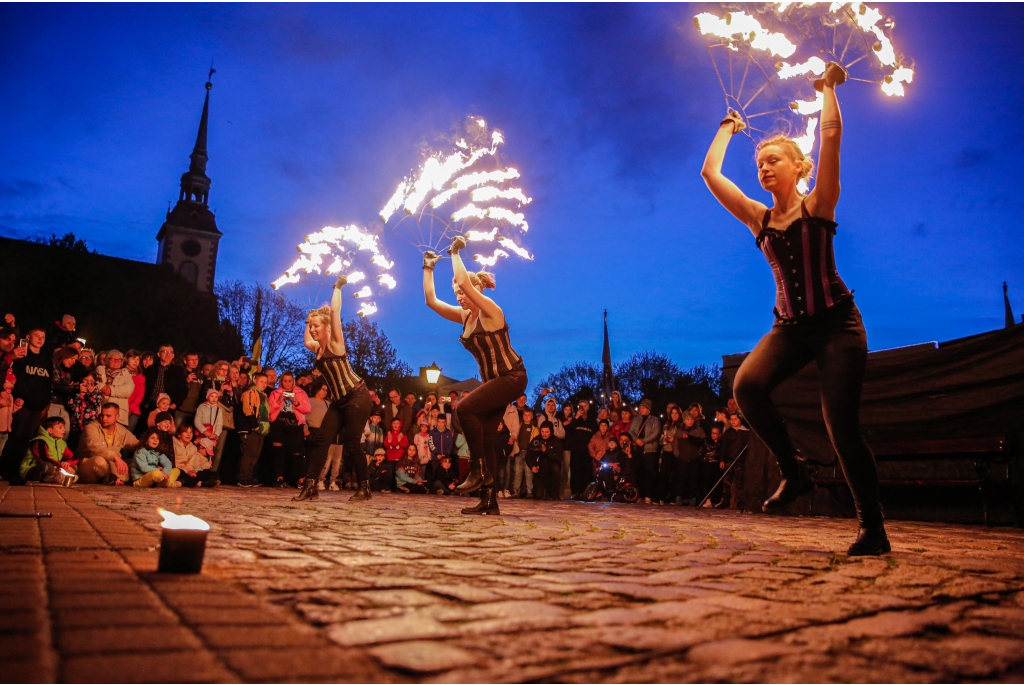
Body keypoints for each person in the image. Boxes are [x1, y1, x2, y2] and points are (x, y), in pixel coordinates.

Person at [700, 61, 887, 555]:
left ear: (798, 167)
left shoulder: (819, 202)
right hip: (789, 327)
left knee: (840, 426)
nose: (763, 168)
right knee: (747, 386)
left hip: (836, 325)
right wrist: (727, 127)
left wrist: (827, 90)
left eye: (773, 161)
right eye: (759, 163)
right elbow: (709, 173)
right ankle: (794, 472)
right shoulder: (758, 218)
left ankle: (873, 528)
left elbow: (832, 139)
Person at [422, 236, 528, 515]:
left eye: (462, 291)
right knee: (486, 437)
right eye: (456, 292)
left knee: (464, 409)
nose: (459, 296)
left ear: (477, 289)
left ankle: (479, 471)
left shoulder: (492, 311)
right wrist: (428, 269)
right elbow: (431, 301)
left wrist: (456, 252)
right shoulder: (465, 316)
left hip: (512, 376)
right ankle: (489, 501)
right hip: (494, 382)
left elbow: (467, 283)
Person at [296, 275, 374, 501]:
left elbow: (335, 314)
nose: (312, 330)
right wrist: (307, 319)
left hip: (357, 396)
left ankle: (365, 487)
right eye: (311, 327)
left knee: (351, 443)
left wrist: (337, 287)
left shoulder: (335, 343)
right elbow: (305, 342)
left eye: (316, 326)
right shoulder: (317, 349)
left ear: (326, 328)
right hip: (339, 401)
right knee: (322, 439)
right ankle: (310, 486)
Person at [76, 402, 139, 484]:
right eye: (102, 415)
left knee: (136, 462)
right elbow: (96, 447)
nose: (104, 418)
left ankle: (114, 478)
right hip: (89, 465)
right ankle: (118, 478)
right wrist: (115, 457)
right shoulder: (92, 428)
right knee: (100, 461)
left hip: (111, 465)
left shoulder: (121, 430)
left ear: (117, 417)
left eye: (108, 416)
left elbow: (136, 443)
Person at [267, 371, 311, 488]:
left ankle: (298, 478)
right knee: (278, 451)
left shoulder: (300, 393)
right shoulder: (275, 393)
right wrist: (279, 401)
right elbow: (269, 410)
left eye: (289, 381)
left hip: (295, 425)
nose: (287, 383)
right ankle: (279, 476)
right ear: (281, 381)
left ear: (293, 381)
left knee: (297, 452)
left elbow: (307, 409)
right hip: (278, 424)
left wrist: (296, 402)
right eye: (285, 381)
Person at [19, 416, 78, 485]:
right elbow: (44, 458)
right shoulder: (40, 441)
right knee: (47, 466)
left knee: (74, 467)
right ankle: (60, 477)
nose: (64, 430)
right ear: (50, 430)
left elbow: (74, 457)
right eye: (60, 427)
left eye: (64, 427)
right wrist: (62, 467)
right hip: (32, 470)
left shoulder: (61, 443)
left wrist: (68, 463)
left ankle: (56, 477)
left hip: (55, 468)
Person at [237, 372, 270, 488]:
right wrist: (254, 425)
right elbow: (248, 408)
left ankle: (249, 477)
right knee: (248, 453)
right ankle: (243, 478)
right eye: (262, 381)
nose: (264, 384)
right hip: (251, 428)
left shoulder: (263, 395)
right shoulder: (250, 393)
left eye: (266, 382)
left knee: (255, 454)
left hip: (261, 429)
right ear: (255, 381)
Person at [628, 399, 661, 504]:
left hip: (649, 450)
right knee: (639, 473)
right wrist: (636, 440)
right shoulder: (636, 419)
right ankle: (639, 495)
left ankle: (648, 495)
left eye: (643, 408)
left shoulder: (655, 420)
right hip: (637, 450)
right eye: (640, 407)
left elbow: (656, 433)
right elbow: (631, 431)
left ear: (648, 409)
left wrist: (644, 441)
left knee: (649, 473)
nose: (640, 409)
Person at [142, 346, 188, 420]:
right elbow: (143, 388)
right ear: (158, 354)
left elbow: (183, 390)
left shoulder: (178, 371)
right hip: (150, 407)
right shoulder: (150, 370)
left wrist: (175, 404)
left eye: (170, 352)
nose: (168, 354)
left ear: (173, 355)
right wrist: (145, 404)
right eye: (165, 352)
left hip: (168, 409)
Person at [95, 349, 135, 427]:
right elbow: (94, 382)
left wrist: (110, 390)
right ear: (107, 360)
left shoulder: (126, 373)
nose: (116, 361)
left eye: (119, 359)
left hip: (118, 413)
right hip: (100, 410)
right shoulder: (100, 369)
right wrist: (102, 387)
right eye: (113, 359)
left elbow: (128, 389)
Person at [568, 400, 596, 499]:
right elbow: (569, 430)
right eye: (581, 406)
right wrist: (576, 417)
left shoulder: (592, 421)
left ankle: (585, 492)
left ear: (588, 407)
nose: (582, 408)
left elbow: (595, 435)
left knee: (586, 471)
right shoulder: (575, 420)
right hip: (576, 450)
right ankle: (575, 492)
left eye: (584, 406)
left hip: (587, 450)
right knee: (575, 471)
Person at [511, 407, 538, 498]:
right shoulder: (519, 426)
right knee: (518, 472)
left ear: (532, 417)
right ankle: (516, 491)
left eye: (528, 415)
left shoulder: (534, 429)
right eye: (525, 415)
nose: (526, 417)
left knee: (528, 472)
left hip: (529, 453)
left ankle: (529, 491)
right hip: (519, 452)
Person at [533, 421, 563, 501]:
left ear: (551, 431)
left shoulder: (556, 441)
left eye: (546, 432)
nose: (544, 434)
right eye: (542, 432)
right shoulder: (536, 440)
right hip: (540, 469)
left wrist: (546, 451)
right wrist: (532, 466)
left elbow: (558, 457)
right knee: (537, 495)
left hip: (552, 468)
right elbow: (529, 455)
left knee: (556, 468)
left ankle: (554, 493)